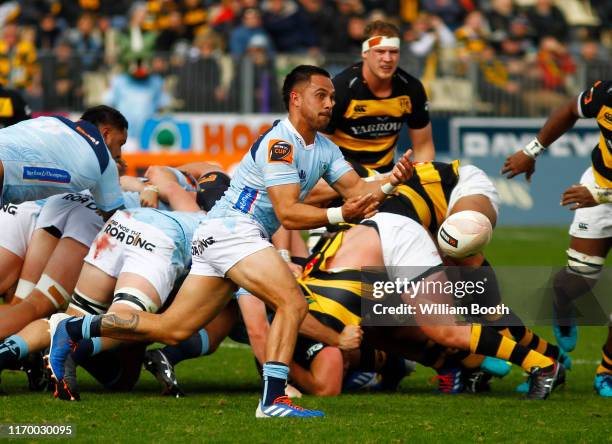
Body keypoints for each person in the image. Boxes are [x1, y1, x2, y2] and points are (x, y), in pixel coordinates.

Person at [47, 65, 414, 418]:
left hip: (221, 235)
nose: (331, 103)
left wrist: (391, 182)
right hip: (233, 231)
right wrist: (338, 215)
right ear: (296, 99)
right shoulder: (280, 143)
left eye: (332, 96)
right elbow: (288, 213)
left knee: (172, 328)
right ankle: (273, 399)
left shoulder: (325, 149)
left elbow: (356, 191)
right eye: (322, 95)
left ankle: (74, 328)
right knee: (292, 303)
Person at [502, 79, 612, 397]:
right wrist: (531, 150)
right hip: (599, 184)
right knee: (579, 277)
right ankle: (561, 303)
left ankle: (607, 369)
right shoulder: (606, 93)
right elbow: (569, 109)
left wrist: (601, 196)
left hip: (599, 193)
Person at [324, 20, 435, 172]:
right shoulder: (341, 88)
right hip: (343, 174)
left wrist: (423, 181)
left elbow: (424, 148)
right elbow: (320, 149)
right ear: (365, 53)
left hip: (386, 176)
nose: (388, 59)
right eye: (380, 51)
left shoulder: (411, 88)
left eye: (393, 52)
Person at [0, 105, 127, 218]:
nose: (119, 154)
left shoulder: (53, 120)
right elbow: (115, 217)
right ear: (106, 133)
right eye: (120, 143)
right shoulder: (104, 162)